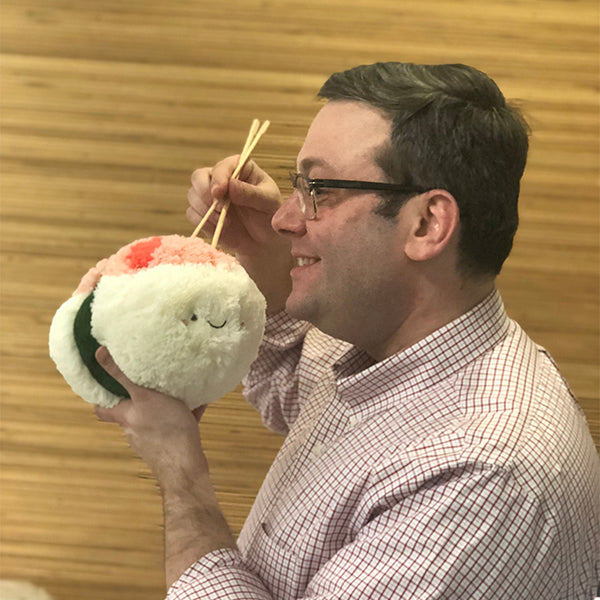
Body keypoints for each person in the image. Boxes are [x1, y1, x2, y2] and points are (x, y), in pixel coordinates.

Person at [95, 62, 600, 599]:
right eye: (298, 186)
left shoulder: (485, 473)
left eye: (319, 189)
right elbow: (289, 385)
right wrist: (266, 258)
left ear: (427, 224)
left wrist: (179, 469)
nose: (284, 219)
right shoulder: (387, 341)